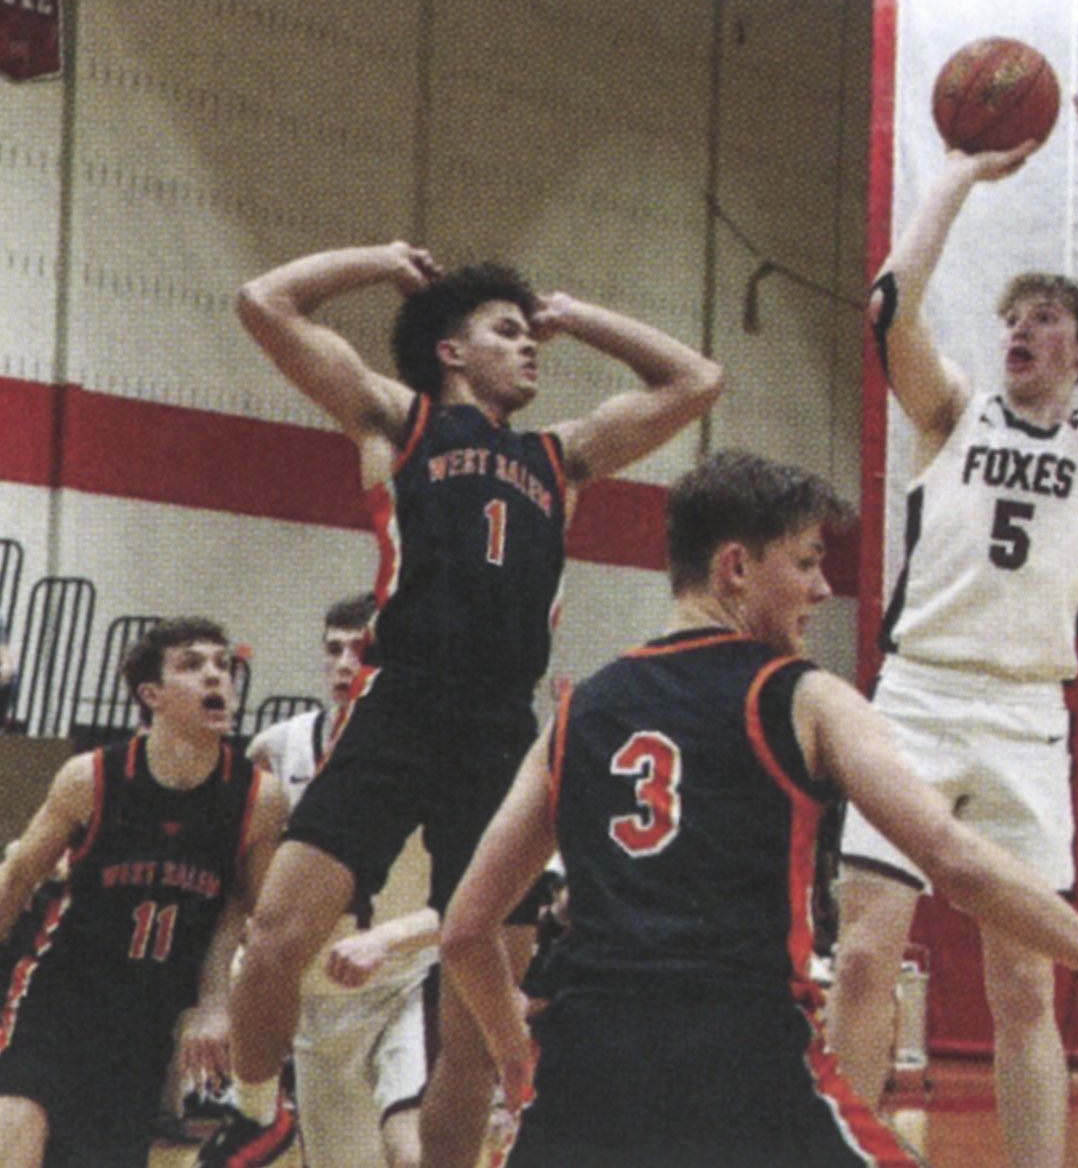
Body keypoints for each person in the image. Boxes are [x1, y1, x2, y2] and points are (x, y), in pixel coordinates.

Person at [440, 451, 1078, 1168]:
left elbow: (467, 930)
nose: (823, 589)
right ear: (736, 568)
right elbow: (955, 861)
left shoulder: (579, 711)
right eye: (808, 563)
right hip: (746, 1065)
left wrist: (517, 1062)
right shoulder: (803, 696)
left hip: (587, 1078)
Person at [203, 242, 723, 1167]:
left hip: (501, 729)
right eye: (509, 332)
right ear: (451, 350)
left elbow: (695, 380)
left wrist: (576, 313)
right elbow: (264, 302)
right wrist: (379, 263)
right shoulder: (396, 422)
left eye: (534, 337)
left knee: (480, 1003)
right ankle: (253, 1111)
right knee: (278, 935)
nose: (533, 349)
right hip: (400, 704)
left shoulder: (561, 457)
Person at [829, 84, 1078, 1167]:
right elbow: (891, 304)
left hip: (1026, 715)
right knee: (860, 958)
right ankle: (843, 1151)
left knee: (1026, 981)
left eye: (1044, 321)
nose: (1021, 329)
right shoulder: (952, 413)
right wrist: (955, 174)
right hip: (918, 697)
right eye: (1013, 317)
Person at [0, 617, 287, 1168]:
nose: (216, 677)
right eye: (192, 665)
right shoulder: (91, 778)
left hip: (146, 1018)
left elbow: (238, 906)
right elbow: (17, 878)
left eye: (223, 665)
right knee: (18, 1135)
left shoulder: (258, 799)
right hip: (56, 995)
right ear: (151, 695)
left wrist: (213, 1002)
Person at [244, 592, 439, 1168]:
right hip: (316, 995)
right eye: (334, 650)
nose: (345, 664)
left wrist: (389, 938)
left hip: (406, 979)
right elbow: (249, 883)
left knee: (413, 1150)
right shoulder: (275, 749)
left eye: (362, 649)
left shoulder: (440, 751)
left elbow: (471, 896)